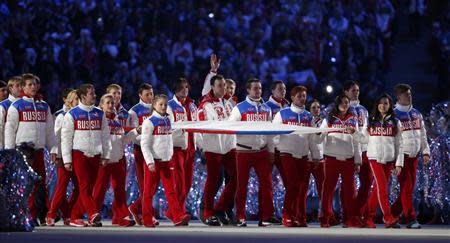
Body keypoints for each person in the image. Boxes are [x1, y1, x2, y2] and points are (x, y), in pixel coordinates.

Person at [4, 73, 57, 226]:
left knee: (40, 183)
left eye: (34, 84)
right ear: (22, 87)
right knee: (24, 184)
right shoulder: (16, 106)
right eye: (29, 85)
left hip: (39, 150)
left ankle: (36, 214)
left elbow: (49, 130)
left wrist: (53, 149)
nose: (33, 87)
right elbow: (10, 129)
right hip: (23, 151)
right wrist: (9, 151)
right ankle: (24, 214)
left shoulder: (44, 105)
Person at [228, 78, 277, 227]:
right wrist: (232, 148)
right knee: (242, 185)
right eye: (255, 88)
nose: (258, 91)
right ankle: (240, 217)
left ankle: (266, 217)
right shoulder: (239, 108)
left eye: (260, 88)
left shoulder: (266, 108)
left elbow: (270, 131)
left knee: (267, 184)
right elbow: (230, 129)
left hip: (261, 151)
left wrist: (271, 150)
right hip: (243, 151)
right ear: (248, 90)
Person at [61, 83, 111, 227]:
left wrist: (106, 154)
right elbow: (66, 138)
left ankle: (75, 216)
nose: (95, 95)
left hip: (96, 154)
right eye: (91, 93)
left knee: (90, 187)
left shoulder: (99, 113)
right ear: (83, 96)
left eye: (94, 92)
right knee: (84, 185)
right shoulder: (72, 114)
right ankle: (92, 213)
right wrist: (67, 160)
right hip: (79, 154)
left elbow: (105, 136)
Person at [272, 86, 320, 227]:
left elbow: (311, 138)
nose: (302, 98)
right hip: (286, 153)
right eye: (299, 96)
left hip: (303, 155)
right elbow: (273, 133)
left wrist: (315, 156)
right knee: (293, 185)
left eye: (304, 96)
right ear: (292, 97)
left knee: (300, 188)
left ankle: (297, 216)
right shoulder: (282, 114)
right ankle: (286, 215)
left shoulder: (308, 116)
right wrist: (275, 149)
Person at [140, 94, 191, 227]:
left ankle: (177, 217)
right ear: (154, 105)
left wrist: (170, 156)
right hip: (154, 162)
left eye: (165, 105)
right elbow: (144, 144)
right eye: (160, 104)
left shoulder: (168, 120)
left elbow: (169, 141)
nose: (163, 107)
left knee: (171, 191)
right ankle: (146, 219)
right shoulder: (149, 122)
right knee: (149, 192)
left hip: (166, 161)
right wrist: (150, 161)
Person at [197, 74, 237, 226]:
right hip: (212, 147)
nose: (223, 88)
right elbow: (198, 128)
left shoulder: (229, 102)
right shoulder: (205, 105)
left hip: (229, 145)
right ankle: (207, 212)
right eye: (220, 85)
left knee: (237, 177)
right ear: (212, 87)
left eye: (224, 85)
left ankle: (220, 207)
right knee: (213, 181)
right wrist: (202, 146)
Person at [317, 94, 362, 228]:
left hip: (348, 159)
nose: (344, 104)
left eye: (347, 102)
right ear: (337, 104)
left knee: (350, 191)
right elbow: (318, 139)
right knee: (328, 190)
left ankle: (349, 219)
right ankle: (325, 218)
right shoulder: (329, 119)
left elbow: (358, 140)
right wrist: (318, 134)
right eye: (342, 102)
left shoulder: (353, 119)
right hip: (332, 158)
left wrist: (358, 160)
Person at [359, 93, 403, 228]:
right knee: (382, 187)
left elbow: (399, 143)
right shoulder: (370, 120)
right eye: (380, 103)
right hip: (374, 158)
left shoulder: (395, 122)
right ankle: (388, 217)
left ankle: (367, 217)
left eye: (386, 103)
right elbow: (363, 139)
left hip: (389, 159)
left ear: (390, 106)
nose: (382, 106)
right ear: (376, 105)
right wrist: (354, 132)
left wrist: (399, 163)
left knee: (378, 189)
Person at [92, 94, 135, 227]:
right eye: (108, 103)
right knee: (99, 190)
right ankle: (93, 215)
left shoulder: (117, 121)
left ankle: (121, 217)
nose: (111, 105)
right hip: (103, 161)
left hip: (118, 160)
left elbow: (123, 141)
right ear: (101, 105)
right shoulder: (97, 121)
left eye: (112, 103)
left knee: (120, 191)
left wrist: (135, 132)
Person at [391, 83, 430, 229]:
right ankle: (410, 218)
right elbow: (392, 138)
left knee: (408, 189)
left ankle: (393, 213)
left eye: (410, 93)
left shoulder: (417, 114)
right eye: (406, 94)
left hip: (414, 157)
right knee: (407, 188)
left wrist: (425, 151)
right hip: (402, 157)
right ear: (398, 97)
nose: (409, 96)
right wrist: (395, 159)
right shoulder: (394, 114)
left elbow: (423, 134)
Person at [46, 89, 79, 226]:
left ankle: (68, 214)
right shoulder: (61, 116)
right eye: (77, 99)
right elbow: (57, 137)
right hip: (63, 156)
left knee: (79, 187)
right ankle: (51, 214)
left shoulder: (80, 114)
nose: (79, 102)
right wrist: (58, 155)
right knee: (62, 186)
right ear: (70, 101)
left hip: (77, 155)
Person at [167, 78, 198, 216]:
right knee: (179, 184)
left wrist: (199, 144)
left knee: (187, 184)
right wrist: (182, 127)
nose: (185, 89)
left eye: (186, 86)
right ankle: (178, 213)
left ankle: (173, 212)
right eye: (181, 87)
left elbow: (198, 126)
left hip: (191, 148)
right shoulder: (169, 106)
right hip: (176, 148)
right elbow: (168, 128)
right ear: (176, 89)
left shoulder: (192, 105)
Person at [343, 80, 371, 224]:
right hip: (349, 149)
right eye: (353, 90)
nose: (356, 93)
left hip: (364, 149)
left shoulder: (364, 110)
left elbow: (366, 131)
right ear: (346, 92)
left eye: (357, 90)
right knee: (349, 185)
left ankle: (357, 213)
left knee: (367, 182)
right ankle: (348, 216)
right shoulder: (342, 109)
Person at [128, 83, 154, 225]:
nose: (150, 97)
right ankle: (146, 215)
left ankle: (136, 207)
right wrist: (147, 139)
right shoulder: (134, 111)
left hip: (154, 150)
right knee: (145, 185)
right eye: (147, 94)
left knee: (153, 185)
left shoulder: (157, 108)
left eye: (151, 94)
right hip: (141, 150)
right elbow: (133, 134)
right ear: (140, 95)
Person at [0, 76, 22, 149]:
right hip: (7, 149)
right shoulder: (3, 105)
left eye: (22, 85)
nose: (21, 88)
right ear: (10, 88)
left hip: (24, 147)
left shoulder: (27, 104)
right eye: (18, 86)